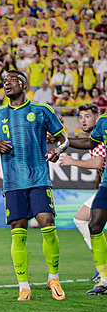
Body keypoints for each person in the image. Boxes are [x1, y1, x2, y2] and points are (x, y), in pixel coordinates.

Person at [0, 70, 69, 302]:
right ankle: (24, 286)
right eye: (4, 82)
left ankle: (53, 278)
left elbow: (64, 139)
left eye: (11, 81)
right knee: (18, 232)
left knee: (47, 224)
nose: (6, 85)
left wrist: (56, 151)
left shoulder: (42, 111)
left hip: (38, 179)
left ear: (24, 84)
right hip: (12, 183)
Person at [59, 103, 105, 283]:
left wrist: (72, 161)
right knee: (81, 218)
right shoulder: (95, 137)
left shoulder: (100, 137)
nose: (83, 120)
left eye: (87, 116)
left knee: (85, 220)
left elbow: (98, 163)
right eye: (81, 117)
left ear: (96, 117)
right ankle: (100, 261)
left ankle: (102, 262)